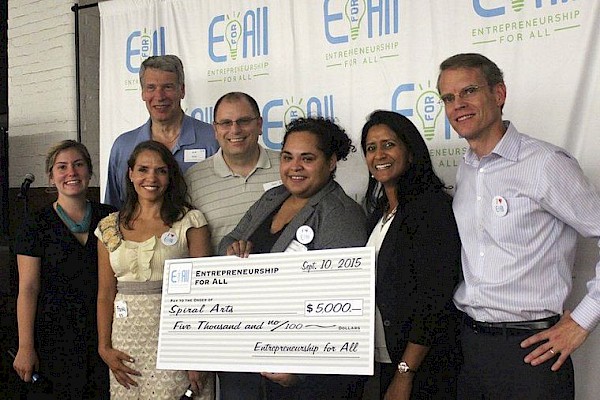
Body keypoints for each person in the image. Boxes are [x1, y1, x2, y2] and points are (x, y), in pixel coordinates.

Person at [437, 53, 600, 399]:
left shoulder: (544, 164)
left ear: (499, 94)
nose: (458, 105)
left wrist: (583, 320)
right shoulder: (466, 169)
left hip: (530, 351)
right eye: (448, 98)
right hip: (470, 347)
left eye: (468, 91)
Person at [218, 116, 368, 399]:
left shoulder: (340, 214)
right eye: (287, 157)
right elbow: (229, 239)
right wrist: (232, 250)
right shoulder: (274, 197)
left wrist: (303, 368)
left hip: (303, 375)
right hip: (254, 354)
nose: (294, 167)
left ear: (331, 162)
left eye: (307, 158)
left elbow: (343, 306)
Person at [96, 141, 213, 399]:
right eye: (143, 169)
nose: (151, 177)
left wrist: (197, 354)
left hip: (177, 338)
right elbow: (105, 293)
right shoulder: (108, 226)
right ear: (130, 174)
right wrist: (104, 347)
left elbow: (204, 293)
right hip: (126, 341)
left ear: (170, 176)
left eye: (161, 170)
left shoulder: (190, 221)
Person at [360, 111, 461, 399]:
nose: (379, 153)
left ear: (410, 151)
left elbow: (435, 297)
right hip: (383, 358)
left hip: (422, 367)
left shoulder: (431, 209)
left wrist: (406, 372)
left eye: (389, 144)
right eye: (371, 147)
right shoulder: (378, 214)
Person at [13, 140, 115, 399]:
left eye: (78, 165)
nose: (71, 172)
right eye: (62, 167)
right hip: (52, 339)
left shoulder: (112, 218)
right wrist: (25, 346)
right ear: (51, 177)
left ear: (90, 172)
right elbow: (28, 288)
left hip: (104, 335)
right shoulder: (34, 225)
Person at [105, 54, 219, 208]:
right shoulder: (123, 146)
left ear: (182, 90)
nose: (159, 96)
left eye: (168, 87)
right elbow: (113, 209)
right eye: (151, 87)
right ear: (143, 93)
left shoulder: (212, 138)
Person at [185, 92, 281, 253]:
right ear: (215, 130)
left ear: (259, 124)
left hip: (285, 274)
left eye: (243, 121)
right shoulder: (193, 179)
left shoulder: (288, 167)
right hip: (221, 277)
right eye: (226, 123)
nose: (235, 130)